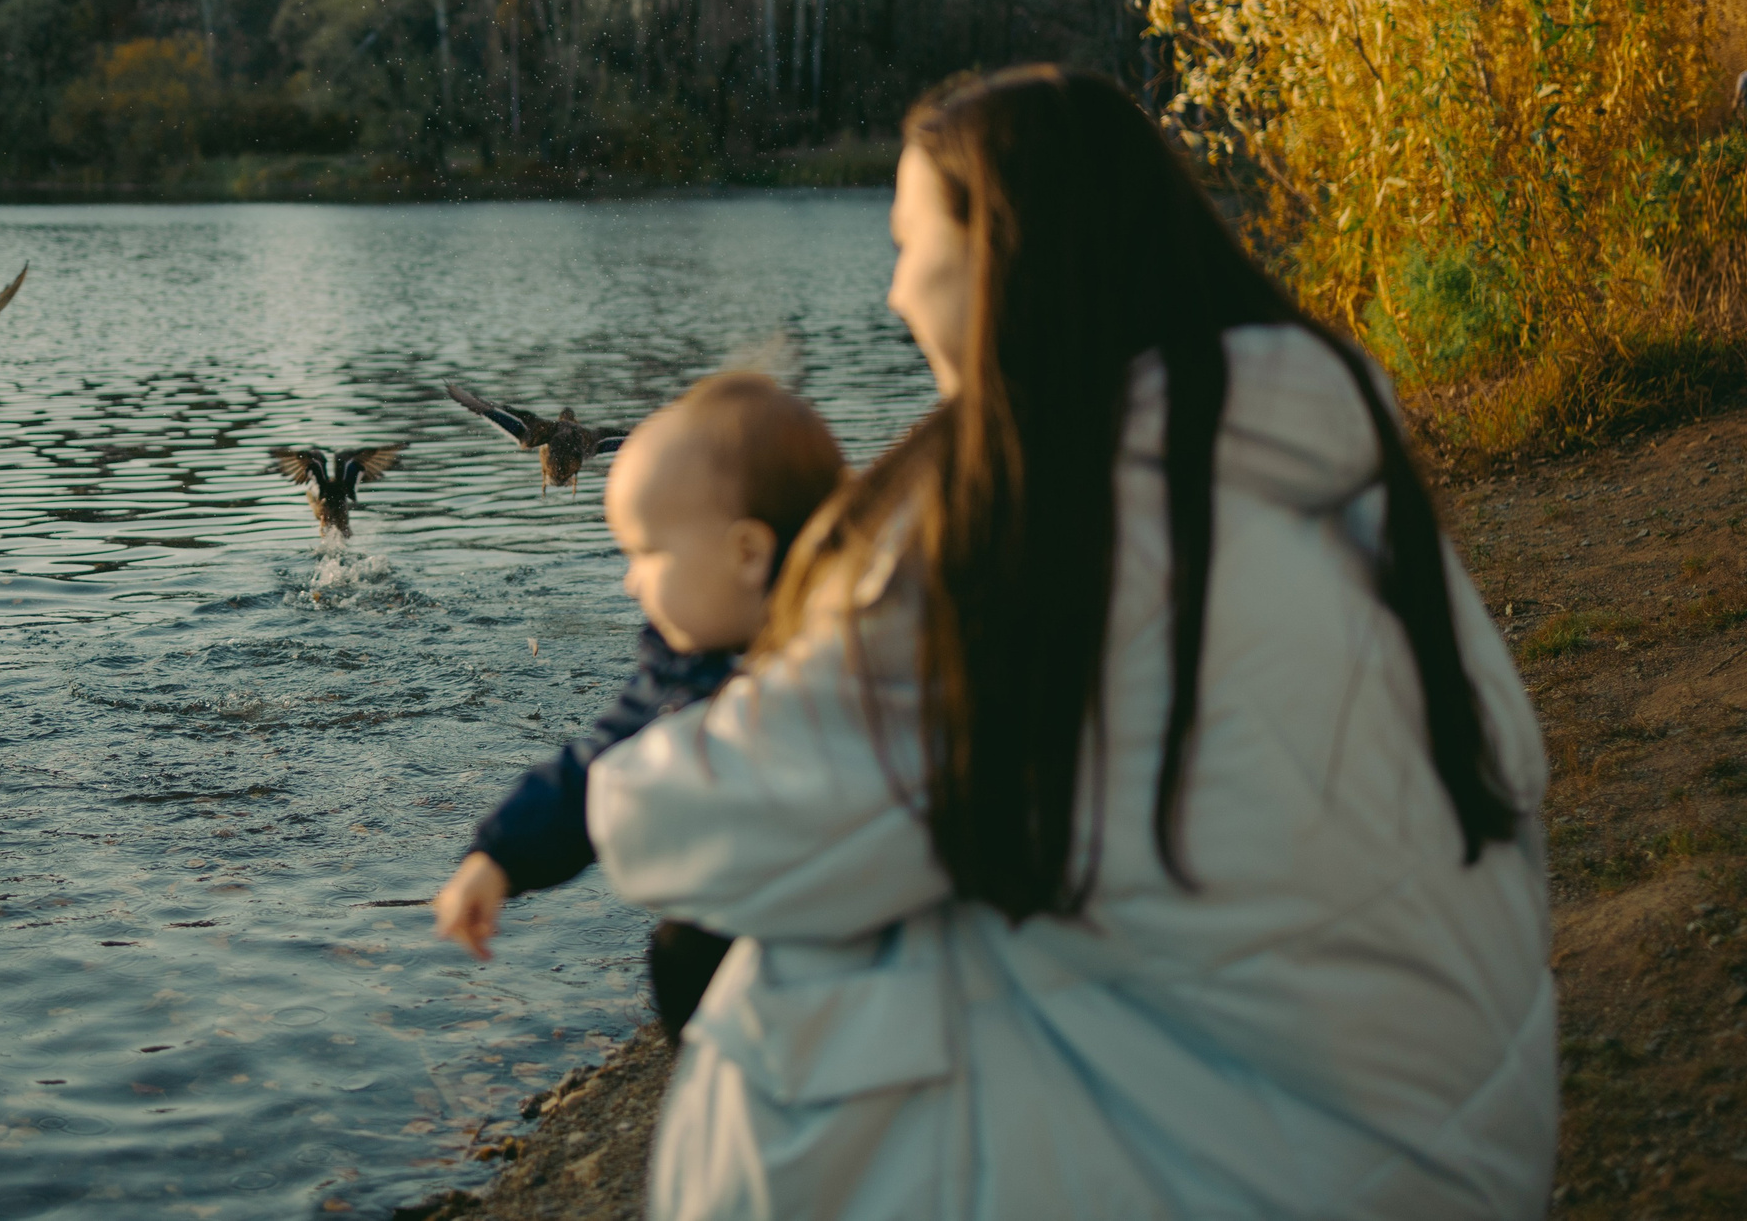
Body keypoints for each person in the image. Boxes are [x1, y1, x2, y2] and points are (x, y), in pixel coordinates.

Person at [588, 67, 1556, 1220]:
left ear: (994, 254)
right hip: (1458, 1139)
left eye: (906, 246)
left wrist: (669, 706)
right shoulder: (1309, 461)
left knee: (773, 962)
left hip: (1285, 1176)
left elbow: (684, 825)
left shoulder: (1060, 530)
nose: (895, 297)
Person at [432, 372, 845, 1036]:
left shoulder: (858, 663)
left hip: (855, 943)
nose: (630, 580)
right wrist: (498, 857)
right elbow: (585, 774)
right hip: (744, 946)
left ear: (747, 551)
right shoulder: (676, 674)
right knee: (681, 957)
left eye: (647, 555)